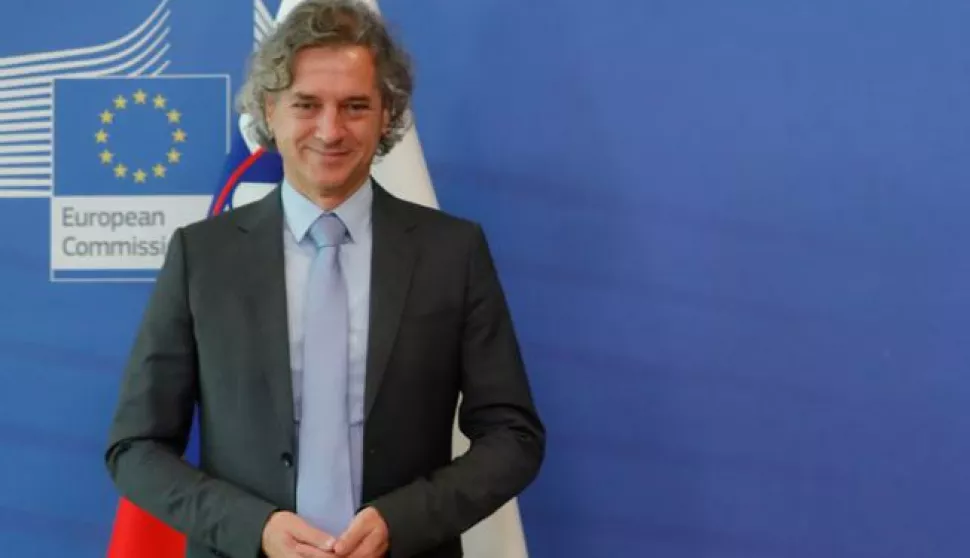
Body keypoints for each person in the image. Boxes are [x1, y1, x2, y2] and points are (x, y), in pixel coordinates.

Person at [103, 1, 545, 557]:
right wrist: (255, 528)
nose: (330, 130)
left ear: (387, 115)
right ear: (271, 110)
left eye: (355, 106)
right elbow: (136, 448)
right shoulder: (202, 256)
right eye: (306, 104)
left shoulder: (452, 253)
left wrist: (401, 521)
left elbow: (513, 437)